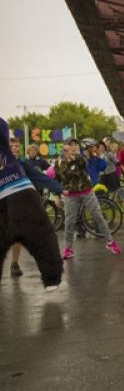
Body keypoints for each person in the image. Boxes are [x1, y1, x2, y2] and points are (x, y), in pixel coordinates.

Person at [0, 121, 63, 292]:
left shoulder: (19, 162)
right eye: (12, 144)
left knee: (35, 235)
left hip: (23, 202)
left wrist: (58, 189)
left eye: (16, 145)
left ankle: (48, 275)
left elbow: (39, 177)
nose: (14, 147)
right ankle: (15, 262)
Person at [54, 138, 122, 260]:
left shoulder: (81, 158)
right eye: (71, 145)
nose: (73, 147)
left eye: (75, 145)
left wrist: (74, 158)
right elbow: (59, 178)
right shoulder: (59, 161)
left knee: (98, 216)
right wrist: (56, 195)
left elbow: (83, 165)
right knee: (69, 222)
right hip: (70, 195)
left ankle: (110, 242)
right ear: (65, 147)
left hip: (87, 192)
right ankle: (68, 248)